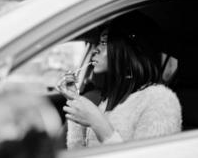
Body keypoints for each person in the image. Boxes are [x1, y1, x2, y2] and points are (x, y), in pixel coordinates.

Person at [63, 11, 182, 149]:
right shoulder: (107, 101)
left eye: (104, 42)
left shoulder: (161, 100)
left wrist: (97, 121)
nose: (95, 50)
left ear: (129, 48)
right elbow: (79, 154)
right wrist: (75, 100)